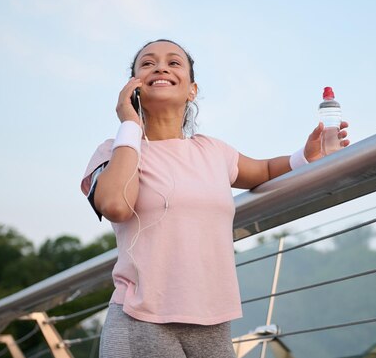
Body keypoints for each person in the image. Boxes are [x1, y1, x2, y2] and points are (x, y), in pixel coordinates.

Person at [80, 39, 350, 358]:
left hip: (213, 322)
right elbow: (115, 205)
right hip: (141, 322)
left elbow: (262, 170)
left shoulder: (213, 150)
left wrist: (305, 156)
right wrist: (129, 123)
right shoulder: (116, 150)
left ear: (192, 90)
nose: (161, 67)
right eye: (148, 63)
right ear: (133, 86)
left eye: (174, 62)